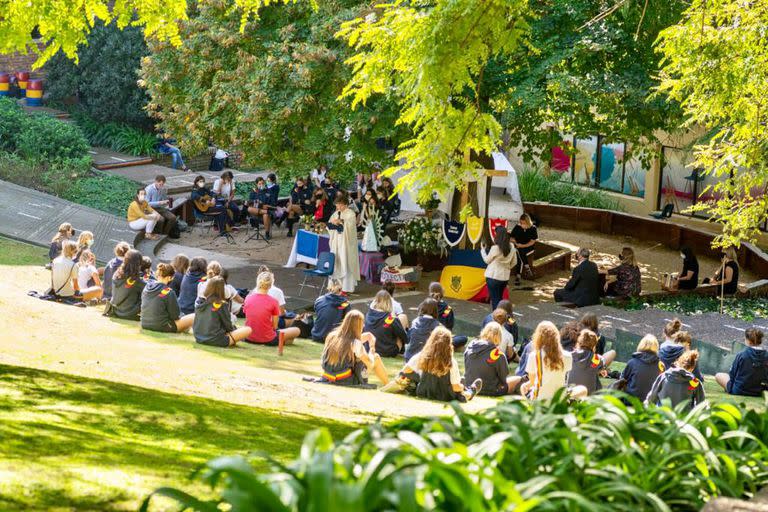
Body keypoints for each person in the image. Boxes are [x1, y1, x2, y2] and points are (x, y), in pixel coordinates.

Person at [399, 326, 482, 402]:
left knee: (459, 384)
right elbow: (455, 387)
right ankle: (471, 391)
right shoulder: (451, 361)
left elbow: (405, 371)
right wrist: (461, 387)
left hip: (423, 392)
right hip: (445, 396)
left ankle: (465, 385)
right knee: (460, 393)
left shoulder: (421, 356)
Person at [320, 310, 389, 386]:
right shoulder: (356, 343)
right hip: (346, 380)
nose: (363, 326)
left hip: (327, 377)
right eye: (362, 323)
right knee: (376, 357)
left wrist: (367, 336)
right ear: (358, 326)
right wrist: (372, 350)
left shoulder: (331, 336)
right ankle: (388, 385)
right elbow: (369, 363)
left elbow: (346, 342)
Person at [520, 321, 586, 399]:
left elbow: (532, 382)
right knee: (583, 389)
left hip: (539, 400)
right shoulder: (568, 356)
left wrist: (526, 385)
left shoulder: (534, 356)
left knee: (522, 387)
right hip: (558, 400)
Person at [242, 271, 301, 347]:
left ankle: (283, 341)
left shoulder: (248, 298)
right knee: (296, 330)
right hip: (268, 339)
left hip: (249, 337)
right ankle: (284, 341)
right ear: (270, 286)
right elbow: (275, 326)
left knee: (287, 336)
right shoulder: (274, 301)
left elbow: (248, 317)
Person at [193, 277, 252, 347]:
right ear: (222, 289)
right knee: (248, 329)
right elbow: (228, 326)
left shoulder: (200, 302)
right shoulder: (221, 304)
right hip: (215, 339)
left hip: (198, 337)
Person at [464, 322, 516, 396]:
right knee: (518, 379)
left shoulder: (470, 346)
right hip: (490, 390)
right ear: (499, 336)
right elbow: (504, 378)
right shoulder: (497, 354)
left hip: (469, 385)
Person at [140, 263, 195, 333]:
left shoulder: (147, 287)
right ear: (169, 278)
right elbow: (175, 315)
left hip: (144, 324)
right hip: (161, 326)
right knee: (194, 316)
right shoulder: (169, 292)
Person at [716, 328, 768, 397]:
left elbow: (732, 375)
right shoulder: (766, 355)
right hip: (759, 391)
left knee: (719, 375)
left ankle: (730, 389)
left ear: (747, 340)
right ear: (760, 340)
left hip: (739, 390)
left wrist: (730, 389)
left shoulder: (742, 354)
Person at [327, 192, 360, 293]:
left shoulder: (351, 213)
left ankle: (346, 287)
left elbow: (350, 227)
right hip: (336, 241)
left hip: (346, 242)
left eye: (340, 204)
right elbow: (329, 225)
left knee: (345, 261)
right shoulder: (335, 213)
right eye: (337, 205)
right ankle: (335, 286)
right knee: (337, 262)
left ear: (345, 204)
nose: (338, 207)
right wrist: (332, 224)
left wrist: (341, 222)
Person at [567, 329, 616, 395]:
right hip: (589, 396)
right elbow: (595, 366)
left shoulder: (570, 355)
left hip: (570, 392)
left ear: (578, 342)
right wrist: (601, 369)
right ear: (594, 347)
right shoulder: (595, 358)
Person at [481, 226, 517, 310]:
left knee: (495, 300)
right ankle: (501, 316)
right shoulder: (512, 246)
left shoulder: (495, 248)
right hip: (504, 277)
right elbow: (514, 262)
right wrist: (507, 267)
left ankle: (497, 318)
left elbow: (487, 260)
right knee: (499, 298)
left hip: (493, 277)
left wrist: (482, 250)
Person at [620, 334, 665, 401]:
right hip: (650, 403)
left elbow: (621, 380)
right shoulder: (661, 365)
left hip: (630, 401)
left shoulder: (632, 362)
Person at [364, 290, 408, 357]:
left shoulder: (368, 315)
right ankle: (401, 350)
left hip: (370, 348)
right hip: (387, 351)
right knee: (403, 317)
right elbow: (404, 337)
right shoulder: (390, 318)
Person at [109, 249, 146, 320]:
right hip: (129, 313)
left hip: (115, 310)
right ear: (138, 263)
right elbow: (148, 287)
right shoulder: (136, 280)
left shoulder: (116, 274)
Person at [511, 213, 538, 285]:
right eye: (521, 223)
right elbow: (512, 237)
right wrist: (515, 242)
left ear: (528, 222)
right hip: (518, 246)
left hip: (528, 247)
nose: (522, 224)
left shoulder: (533, 228)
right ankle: (526, 269)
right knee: (519, 252)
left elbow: (532, 241)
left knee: (520, 251)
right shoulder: (517, 227)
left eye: (524, 223)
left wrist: (523, 245)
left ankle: (518, 275)